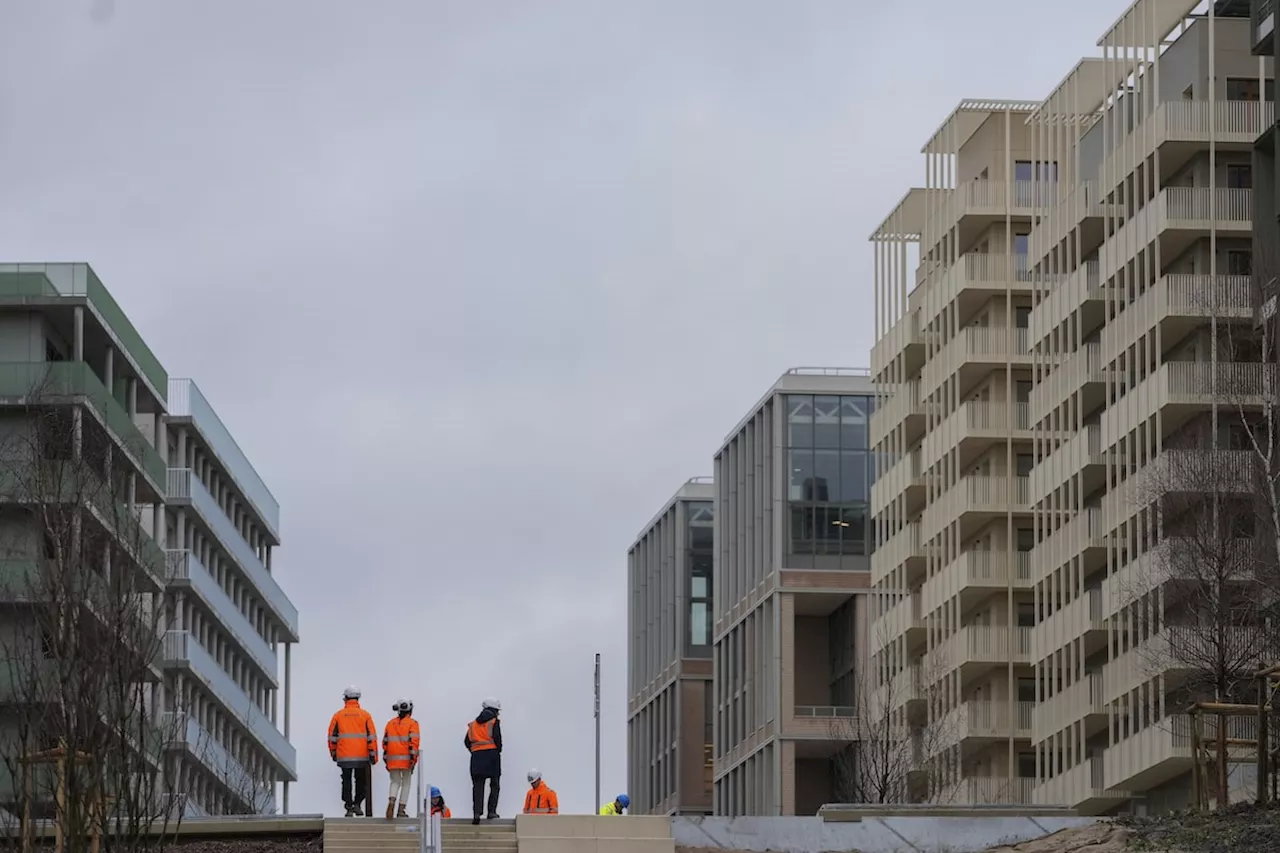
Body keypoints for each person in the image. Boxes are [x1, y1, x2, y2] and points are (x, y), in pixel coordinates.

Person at [328, 685, 379, 817]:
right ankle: (357, 803)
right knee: (360, 780)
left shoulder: (338, 716)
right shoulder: (365, 715)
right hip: (362, 756)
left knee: (346, 780)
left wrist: (333, 752)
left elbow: (331, 737)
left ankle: (349, 806)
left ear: (345, 698)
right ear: (358, 699)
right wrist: (373, 755)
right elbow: (372, 737)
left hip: (344, 755)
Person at [463, 696, 503, 825]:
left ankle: (477, 813)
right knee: (494, 784)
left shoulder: (473, 725)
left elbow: (466, 741)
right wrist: (496, 750)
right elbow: (498, 740)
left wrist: (475, 750)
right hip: (492, 757)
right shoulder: (493, 722)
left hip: (476, 758)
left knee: (478, 787)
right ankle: (491, 811)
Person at [383, 698, 421, 819]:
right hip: (406, 760)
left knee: (394, 782)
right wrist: (413, 760)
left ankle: (391, 801)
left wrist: (386, 759)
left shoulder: (390, 723)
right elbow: (414, 743)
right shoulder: (413, 724)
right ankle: (401, 809)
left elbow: (385, 743)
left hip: (392, 759)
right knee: (406, 783)